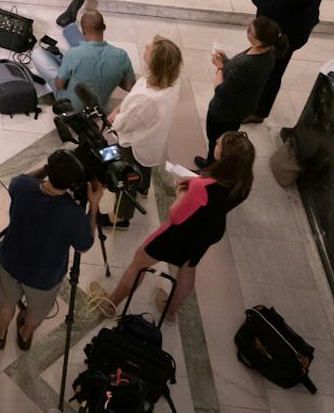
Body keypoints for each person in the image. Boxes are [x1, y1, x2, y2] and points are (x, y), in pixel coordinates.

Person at [90, 131, 255, 323]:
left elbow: (176, 217)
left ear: (225, 159)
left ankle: (110, 304)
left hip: (182, 232)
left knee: (139, 263)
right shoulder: (244, 182)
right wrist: (197, 182)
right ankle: (170, 312)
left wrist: (181, 194)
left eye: (218, 144)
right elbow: (216, 195)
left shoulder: (201, 188)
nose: (215, 142)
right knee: (188, 266)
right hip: (210, 230)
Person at [0, 150, 98, 351]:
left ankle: (0, 334)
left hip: (10, 260)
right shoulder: (74, 214)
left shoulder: (22, 186)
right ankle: (25, 335)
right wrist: (94, 205)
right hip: (45, 276)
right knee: (36, 312)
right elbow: (85, 245)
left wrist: (48, 169)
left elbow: (24, 178)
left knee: (5, 303)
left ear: (49, 170)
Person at [247, 0, 332, 123]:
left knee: (272, 71)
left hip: (284, 32)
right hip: (300, 21)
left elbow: (271, 10)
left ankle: (259, 111)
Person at [100, 35, 183, 228]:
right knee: (144, 165)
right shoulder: (170, 80)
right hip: (151, 141)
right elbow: (133, 102)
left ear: (156, 62)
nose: (145, 47)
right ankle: (143, 187)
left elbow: (124, 124)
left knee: (125, 178)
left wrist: (116, 118)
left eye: (150, 48)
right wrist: (121, 107)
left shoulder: (147, 99)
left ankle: (120, 217)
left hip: (133, 144)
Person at [195, 16, 285, 169]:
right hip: (242, 106)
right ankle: (212, 163)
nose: (247, 31)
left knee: (217, 140)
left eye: (250, 30)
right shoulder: (268, 51)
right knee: (226, 137)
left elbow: (221, 91)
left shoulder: (247, 64)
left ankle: (210, 168)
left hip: (225, 111)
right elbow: (242, 77)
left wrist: (220, 67)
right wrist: (227, 61)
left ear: (257, 40)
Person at [53, 6, 135, 113]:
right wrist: (114, 74)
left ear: (83, 32)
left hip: (67, 108)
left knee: (39, 55)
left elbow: (59, 84)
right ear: (104, 27)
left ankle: (68, 25)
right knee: (84, 48)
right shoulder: (121, 55)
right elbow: (130, 87)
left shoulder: (73, 53)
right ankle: (68, 24)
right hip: (97, 110)